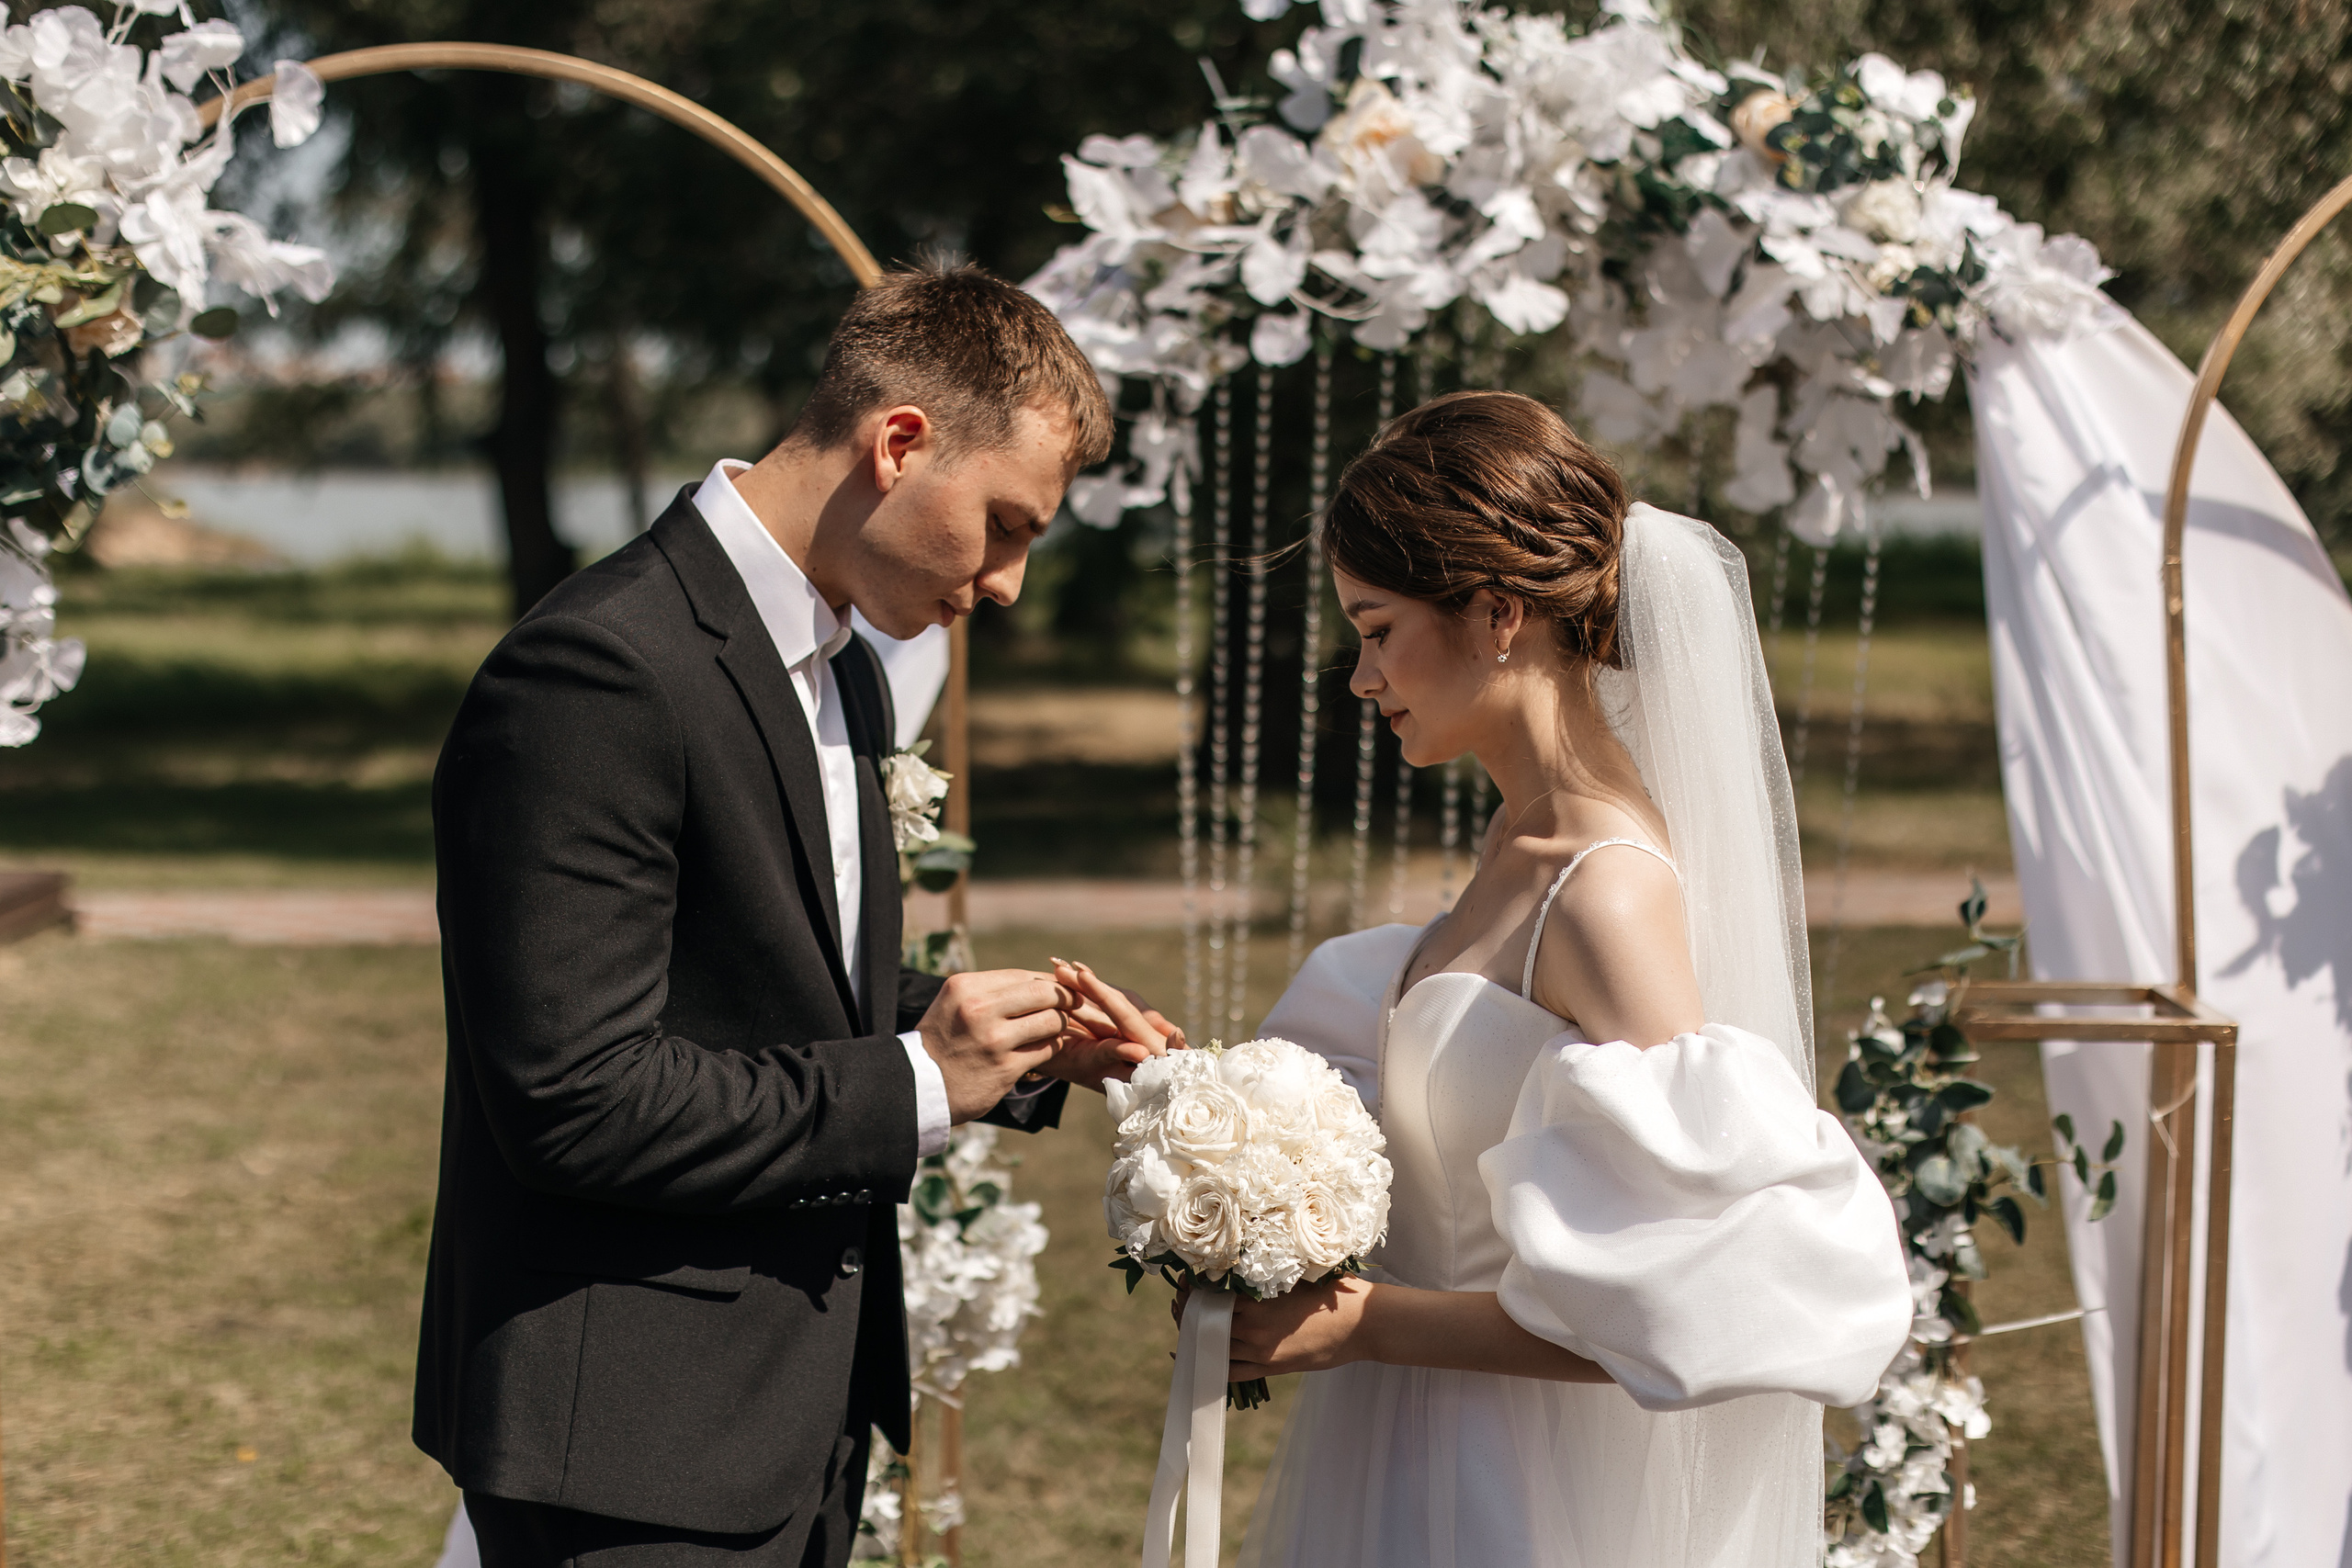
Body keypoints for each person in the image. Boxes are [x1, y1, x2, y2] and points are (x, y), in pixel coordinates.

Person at [414, 261, 1172, 1568]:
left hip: (794, 1419)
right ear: (899, 442)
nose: (1006, 584)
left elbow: (772, 990)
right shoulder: (598, 671)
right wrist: (920, 1082)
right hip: (630, 1445)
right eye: (1006, 524)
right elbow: (576, 1096)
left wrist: (1030, 1049)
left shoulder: (849, 677)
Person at [1191, 391, 1912, 1566]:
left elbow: (1694, 1291)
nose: (1361, 678)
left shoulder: (1604, 890)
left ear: (1496, 613)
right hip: (1411, 1448)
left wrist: (1369, 1324)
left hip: (1520, 1494)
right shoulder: (1516, 841)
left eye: (1376, 629)